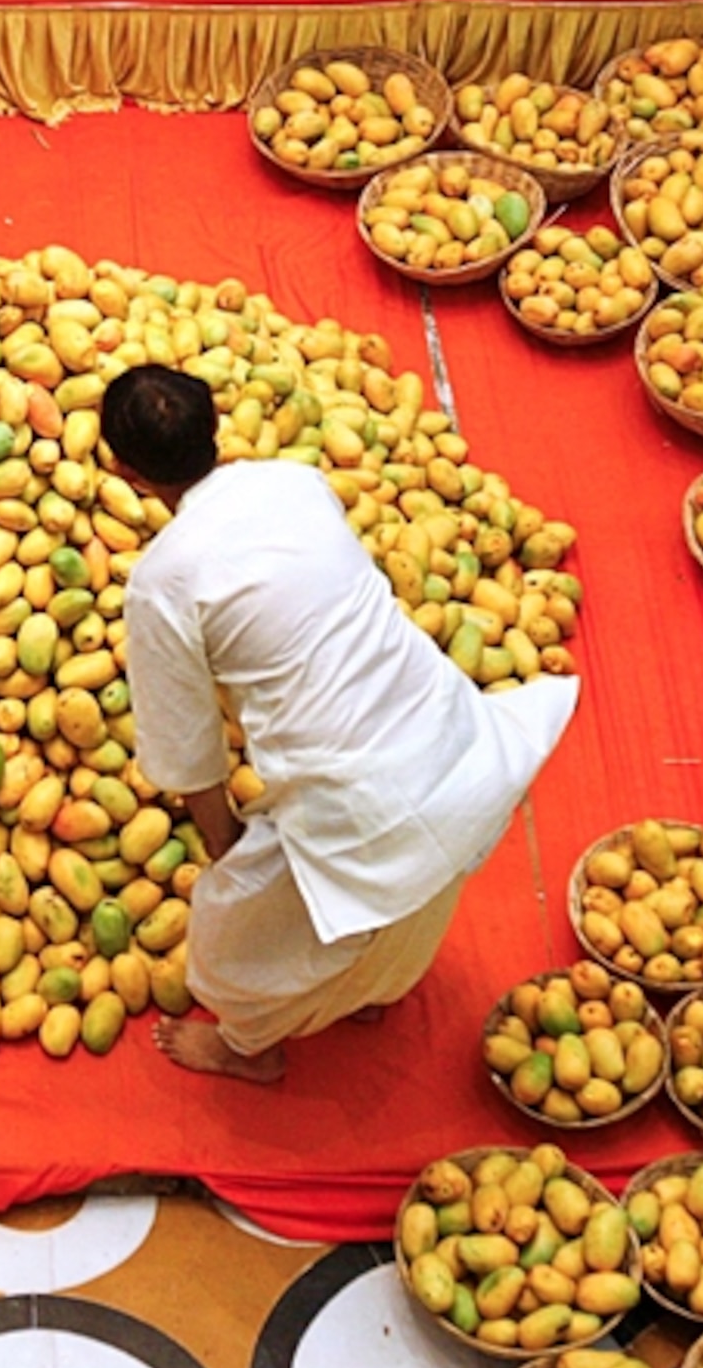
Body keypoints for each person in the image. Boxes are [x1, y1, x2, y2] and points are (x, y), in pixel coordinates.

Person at [104, 363, 578, 1083]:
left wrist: (227, 847)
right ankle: (371, 992)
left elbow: (187, 749)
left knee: (238, 940)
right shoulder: (292, 481)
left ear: (125, 472)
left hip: (361, 792)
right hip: (452, 737)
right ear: (216, 427)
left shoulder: (163, 580)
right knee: (415, 887)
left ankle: (244, 1048)